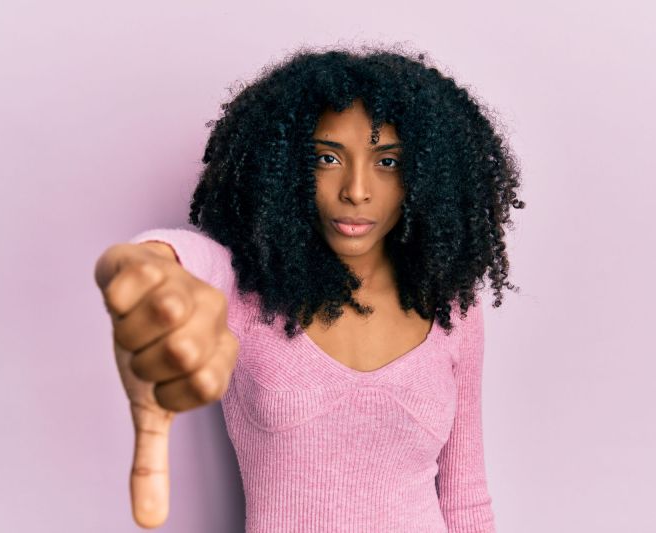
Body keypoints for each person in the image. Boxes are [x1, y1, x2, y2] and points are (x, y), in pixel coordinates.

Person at [94, 44, 525, 532]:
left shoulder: (451, 307)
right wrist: (147, 268)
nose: (356, 190)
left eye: (386, 162)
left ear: (424, 178)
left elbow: (466, 499)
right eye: (327, 157)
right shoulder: (248, 291)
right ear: (285, 170)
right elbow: (183, 262)